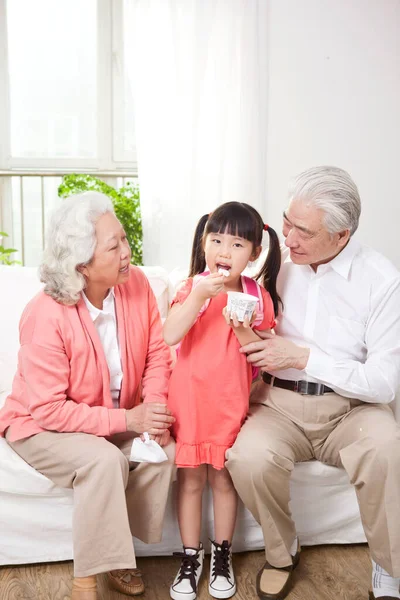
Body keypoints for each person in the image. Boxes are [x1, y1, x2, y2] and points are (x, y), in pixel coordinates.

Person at [225, 166, 400, 600]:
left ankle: (389, 566)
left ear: (342, 236)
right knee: (247, 457)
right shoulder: (278, 262)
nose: (288, 238)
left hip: (352, 409)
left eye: (303, 231)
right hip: (279, 403)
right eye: (286, 221)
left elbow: (383, 383)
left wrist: (304, 357)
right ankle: (283, 553)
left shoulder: (382, 280)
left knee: (387, 448)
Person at [0, 192, 176, 600]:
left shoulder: (136, 286)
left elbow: (155, 354)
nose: (128, 252)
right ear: (82, 264)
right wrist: (128, 421)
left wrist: (151, 410)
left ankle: (117, 550)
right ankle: (88, 580)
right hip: (39, 426)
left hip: (112, 417)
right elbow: (47, 409)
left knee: (165, 451)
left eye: (125, 239)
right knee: (104, 459)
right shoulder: (45, 314)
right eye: (114, 246)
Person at [163, 201, 281, 600]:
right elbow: (170, 335)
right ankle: (189, 557)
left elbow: (262, 357)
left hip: (230, 404)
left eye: (236, 244)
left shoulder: (256, 296)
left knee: (224, 480)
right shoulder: (190, 287)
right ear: (204, 242)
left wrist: (243, 329)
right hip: (190, 403)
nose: (224, 252)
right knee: (192, 480)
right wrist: (198, 297)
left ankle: (222, 554)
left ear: (254, 253)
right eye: (216, 240)